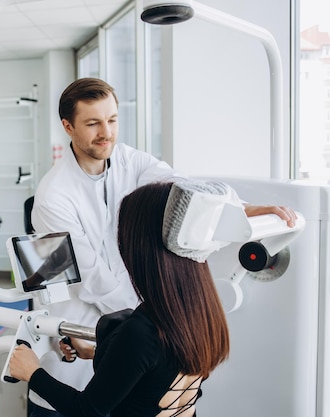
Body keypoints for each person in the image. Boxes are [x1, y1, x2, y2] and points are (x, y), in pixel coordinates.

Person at [27, 77, 297, 416]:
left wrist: (243, 209)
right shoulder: (54, 195)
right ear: (68, 126)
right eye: (93, 123)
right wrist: (151, 331)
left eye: (112, 120)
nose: (106, 132)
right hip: (81, 335)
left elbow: (184, 191)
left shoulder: (130, 161)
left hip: (124, 346)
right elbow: (91, 278)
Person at [9, 181, 231, 417]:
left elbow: (86, 410)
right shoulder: (202, 311)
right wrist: (102, 353)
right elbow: (157, 374)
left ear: (141, 247)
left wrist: (32, 372)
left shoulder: (143, 331)